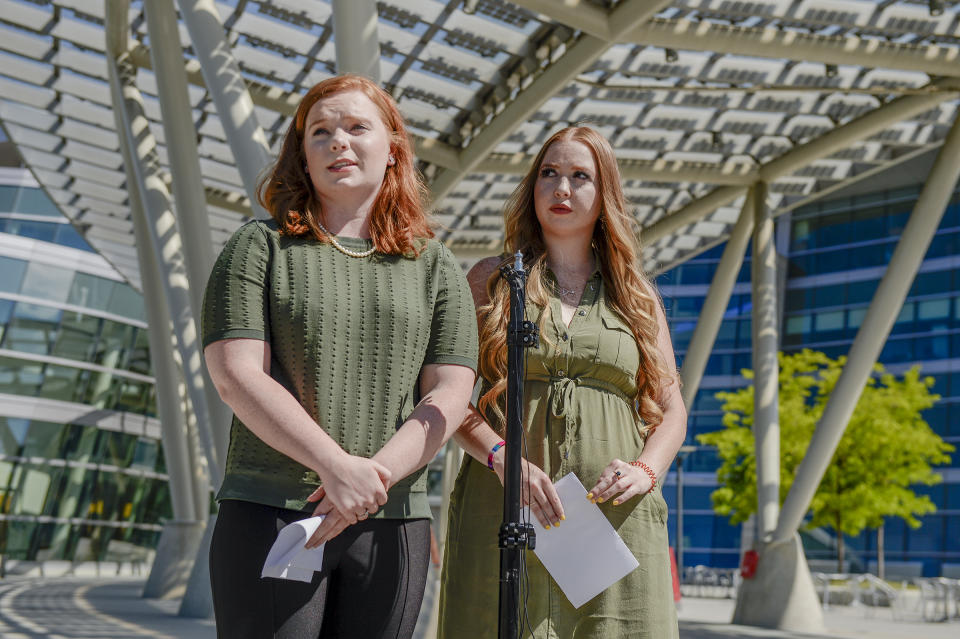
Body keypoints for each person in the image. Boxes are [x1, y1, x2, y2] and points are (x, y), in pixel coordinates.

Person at [201, 74, 478, 639]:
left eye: (357, 127)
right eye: (320, 132)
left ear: (394, 146)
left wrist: (370, 479)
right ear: (301, 156)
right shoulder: (260, 246)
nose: (338, 142)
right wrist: (336, 468)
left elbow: (450, 393)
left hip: (394, 520)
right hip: (273, 509)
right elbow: (235, 375)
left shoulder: (435, 265)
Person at [438, 126, 686, 638]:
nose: (562, 189)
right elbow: (447, 396)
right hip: (502, 508)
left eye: (580, 176)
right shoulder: (491, 280)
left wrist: (646, 469)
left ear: (605, 194)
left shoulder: (635, 296)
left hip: (614, 521)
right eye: (549, 174)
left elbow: (672, 407)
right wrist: (500, 457)